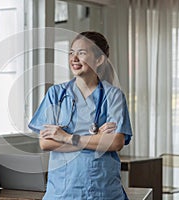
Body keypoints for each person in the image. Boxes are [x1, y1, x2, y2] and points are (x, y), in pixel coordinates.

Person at [28, 31, 132, 200]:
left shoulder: (113, 96)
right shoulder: (56, 94)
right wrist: (97, 139)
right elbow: (46, 142)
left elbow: (116, 142)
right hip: (61, 192)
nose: (74, 58)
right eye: (71, 52)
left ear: (99, 59)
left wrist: (66, 137)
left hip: (102, 191)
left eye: (81, 53)